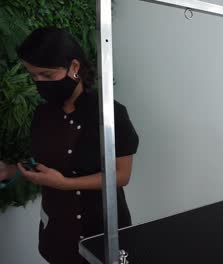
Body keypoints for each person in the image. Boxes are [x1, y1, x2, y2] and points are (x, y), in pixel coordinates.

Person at [0, 27, 139, 263]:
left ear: (74, 68)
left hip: (100, 233)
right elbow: (44, 161)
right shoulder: (43, 113)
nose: (38, 82)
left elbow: (121, 175)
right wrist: (11, 170)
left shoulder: (109, 113)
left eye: (46, 74)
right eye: (33, 75)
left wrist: (66, 184)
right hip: (56, 231)